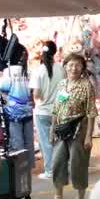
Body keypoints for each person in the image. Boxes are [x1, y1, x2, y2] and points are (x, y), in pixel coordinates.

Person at [43, 52, 96, 199]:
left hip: (79, 128)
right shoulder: (62, 84)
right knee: (57, 163)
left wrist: (88, 136)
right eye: (71, 65)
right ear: (65, 67)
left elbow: (91, 112)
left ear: (82, 68)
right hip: (61, 129)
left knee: (77, 163)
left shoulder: (87, 85)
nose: (74, 68)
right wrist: (52, 129)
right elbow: (56, 109)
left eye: (78, 65)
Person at [31, 40, 66, 180]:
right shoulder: (61, 69)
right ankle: (62, 169)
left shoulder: (38, 71)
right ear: (54, 52)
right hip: (58, 111)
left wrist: (41, 101)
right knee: (59, 141)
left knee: (46, 142)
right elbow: (65, 91)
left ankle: (50, 170)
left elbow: (36, 94)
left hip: (42, 112)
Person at [0, 61, 36, 179]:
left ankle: (20, 168)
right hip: (28, 110)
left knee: (17, 141)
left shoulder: (8, 71)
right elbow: (31, 91)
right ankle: (29, 167)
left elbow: (3, 88)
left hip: (13, 111)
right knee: (29, 141)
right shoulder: (28, 71)